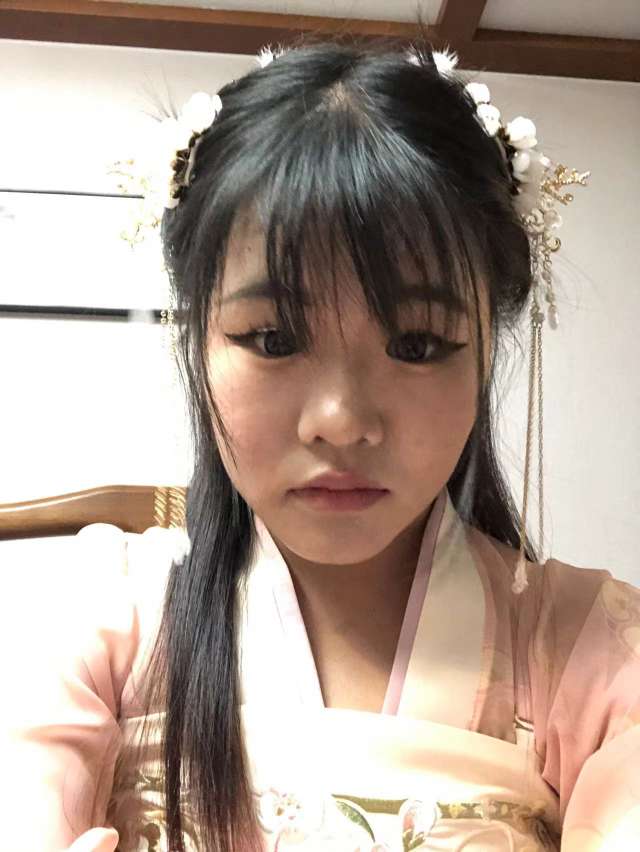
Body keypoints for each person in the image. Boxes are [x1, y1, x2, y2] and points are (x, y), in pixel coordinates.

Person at [2, 29, 639, 852]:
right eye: (272, 339)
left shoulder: (595, 651)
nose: (340, 420)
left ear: (486, 351)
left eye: (417, 344)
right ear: (197, 337)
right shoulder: (98, 621)